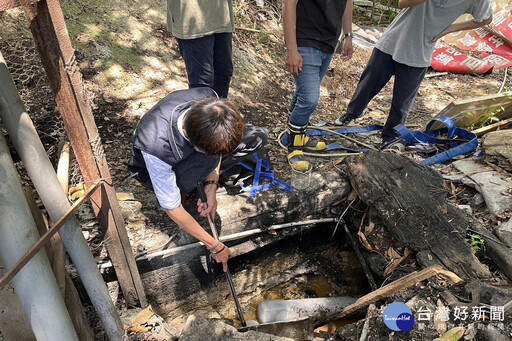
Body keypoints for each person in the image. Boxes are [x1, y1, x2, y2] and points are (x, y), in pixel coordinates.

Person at [128, 87, 268, 271]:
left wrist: (211, 186)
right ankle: (187, 190)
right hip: (156, 168)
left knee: (257, 137)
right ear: (188, 135)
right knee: (181, 189)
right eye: (210, 153)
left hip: (196, 150)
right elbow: (171, 207)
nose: (216, 157)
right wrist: (215, 246)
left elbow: (215, 153)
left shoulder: (210, 99)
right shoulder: (156, 147)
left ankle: (199, 180)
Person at [334, 0, 493, 145]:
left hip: (420, 49)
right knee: (369, 82)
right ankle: (352, 114)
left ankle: (390, 136)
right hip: (393, 39)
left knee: (402, 100)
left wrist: (450, 28)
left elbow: (485, 18)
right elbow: (402, 3)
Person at [283, 0, 354, 171]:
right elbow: (289, 4)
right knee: (309, 99)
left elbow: (347, 3)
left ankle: (293, 136)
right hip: (305, 39)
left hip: (328, 42)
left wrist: (348, 36)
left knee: (303, 94)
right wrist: (291, 48)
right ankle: (294, 148)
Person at [167, 0, 234, 98]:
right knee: (202, 85)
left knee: (223, 74)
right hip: (191, 17)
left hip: (221, 15)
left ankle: (220, 112)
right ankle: (202, 113)